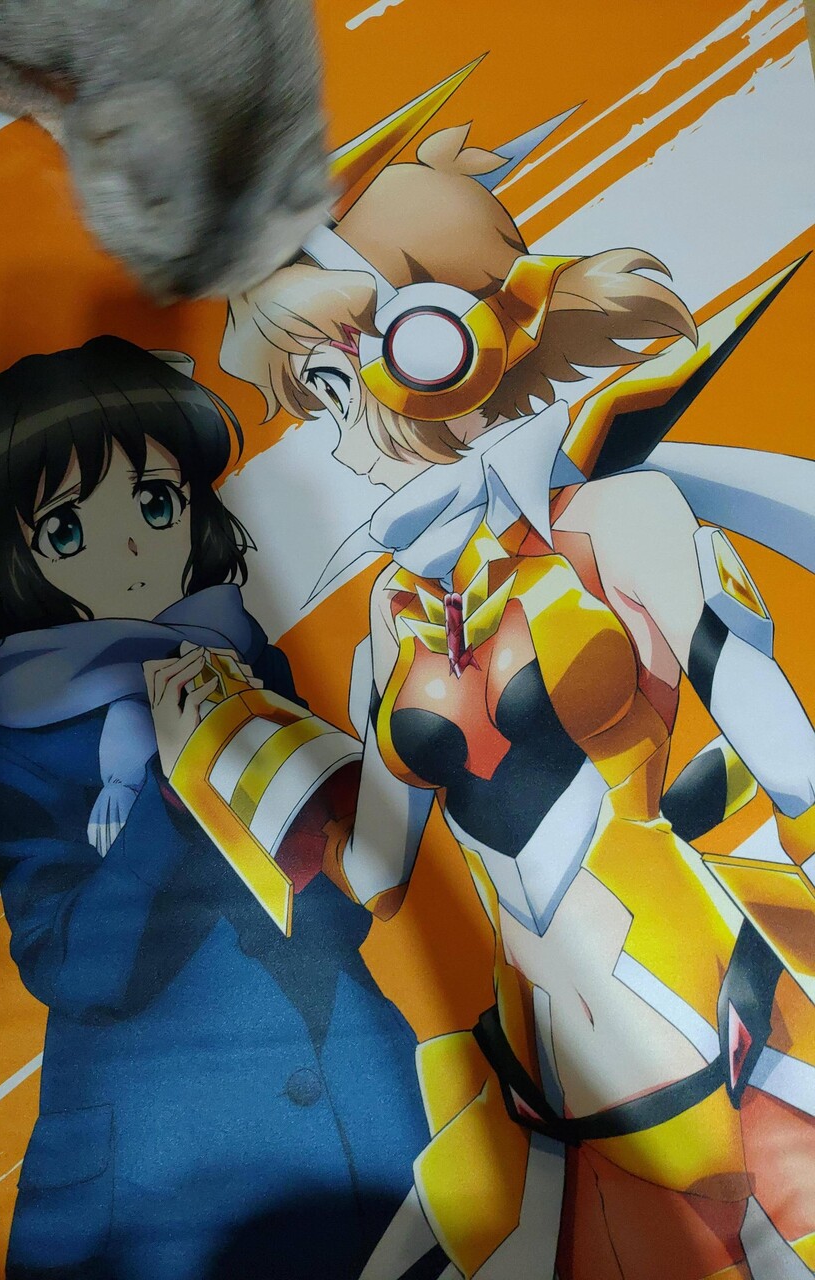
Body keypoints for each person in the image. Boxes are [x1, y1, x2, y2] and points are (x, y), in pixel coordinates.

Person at [219, 75, 815, 1280]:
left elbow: (785, 750)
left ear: (434, 344)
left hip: (703, 1012)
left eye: (329, 383)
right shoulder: (396, 617)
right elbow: (381, 870)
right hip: (541, 1070)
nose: (325, 431)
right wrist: (252, 752)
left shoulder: (613, 522)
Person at [0, 335, 429, 1280]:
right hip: (167, 1166)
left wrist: (388, 729)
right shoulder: (27, 738)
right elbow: (75, 967)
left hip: (353, 1105)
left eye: (155, 502)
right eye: (68, 529)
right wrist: (174, 794)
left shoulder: (243, 664)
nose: (134, 547)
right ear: (8, 565)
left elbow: (338, 893)